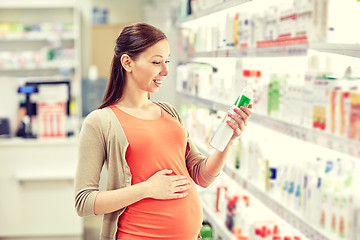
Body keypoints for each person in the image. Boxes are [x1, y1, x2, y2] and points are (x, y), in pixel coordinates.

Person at [74, 22, 252, 240]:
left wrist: (229, 139)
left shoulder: (169, 112)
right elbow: (84, 202)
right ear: (127, 62)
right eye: (156, 62)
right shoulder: (100, 121)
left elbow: (202, 175)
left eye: (167, 61)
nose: (165, 71)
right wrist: (146, 189)